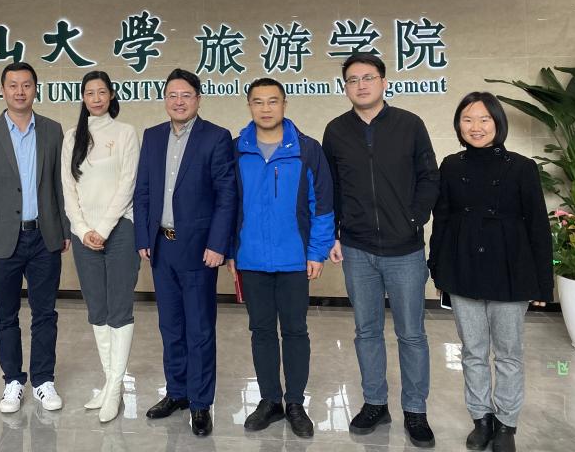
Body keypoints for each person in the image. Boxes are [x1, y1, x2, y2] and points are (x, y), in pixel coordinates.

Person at [322, 54, 439, 448]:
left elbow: (429, 177)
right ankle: (375, 403)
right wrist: (334, 234)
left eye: (368, 77)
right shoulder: (336, 131)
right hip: (357, 249)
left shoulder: (409, 124)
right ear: (345, 87)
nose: (361, 85)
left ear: (384, 82)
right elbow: (331, 188)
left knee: (411, 334)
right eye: (352, 80)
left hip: (405, 249)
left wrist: (414, 219)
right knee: (367, 331)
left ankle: (415, 410)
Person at [429, 92, 552, 452]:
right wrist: (437, 269)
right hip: (462, 268)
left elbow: (538, 227)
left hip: (511, 269)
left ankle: (507, 425)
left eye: (484, 119)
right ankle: (481, 419)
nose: (476, 127)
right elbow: (442, 220)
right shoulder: (451, 165)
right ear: (459, 125)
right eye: (468, 119)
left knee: (509, 353)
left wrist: (543, 284)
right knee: (473, 351)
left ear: (498, 122)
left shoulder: (522, 167)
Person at [227, 77, 335, 438]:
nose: (266, 108)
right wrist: (231, 250)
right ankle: (270, 400)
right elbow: (229, 204)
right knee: (260, 331)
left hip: (294, 258)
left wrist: (316, 251)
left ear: (284, 104)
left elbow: (322, 204)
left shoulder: (307, 149)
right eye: (258, 102)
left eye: (272, 101)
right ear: (249, 106)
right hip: (251, 258)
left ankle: (295, 404)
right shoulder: (236, 149)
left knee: (295, 331)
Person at [133, 68, 237, 437]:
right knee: (170, 326)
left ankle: (200, 402)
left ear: (198, 99)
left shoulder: (216, 137)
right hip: (161, 246)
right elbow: (143, 191)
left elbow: (227, 196)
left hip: (199, 250)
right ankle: (177, 392)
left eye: (186, 95)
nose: (179, 101)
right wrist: (143, 236)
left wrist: (218, 244)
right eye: (172, 95)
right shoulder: (153, 136)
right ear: (165, 99)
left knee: (199, 329)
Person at [0, 62, 70, 414]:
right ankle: (12, 380)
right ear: (3, 90)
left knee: (45, 313)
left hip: (44, 236)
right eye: (13, 85)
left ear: (35, 89)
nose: (20, 91)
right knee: (6, 315)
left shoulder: (53, 131)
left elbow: (60, 185)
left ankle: (43, 380)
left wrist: (64, 228)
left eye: (26, 85)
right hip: (1, 239)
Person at [60, 70, 140, 423]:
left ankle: (116, 387)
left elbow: (128, 183)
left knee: (119, 309)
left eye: (101, 92)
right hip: (84, 235)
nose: (96, 98)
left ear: (111, 96)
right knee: (97, 309)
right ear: (83, 97)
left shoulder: (125, 133)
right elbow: (68, 187)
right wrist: (81, 229)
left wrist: (104, 228)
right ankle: (110, 383)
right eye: (90, 92)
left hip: (120, 230)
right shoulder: (71, 137)